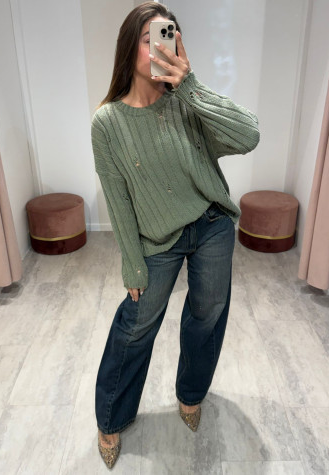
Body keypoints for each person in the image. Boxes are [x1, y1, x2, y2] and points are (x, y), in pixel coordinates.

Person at [90, 2, 260, 469]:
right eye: (148, 39)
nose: (158, 47)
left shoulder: (187, 101)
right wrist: (132, 262)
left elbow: (249, 136)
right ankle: (111, 416)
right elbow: (117, 198)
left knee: (207, 315)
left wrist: (190, 86)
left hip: (211, 225)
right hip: (156, 239)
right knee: (136, 325)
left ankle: (191, 394)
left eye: (166, 36)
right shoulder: (108, 123)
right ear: (129, 47)